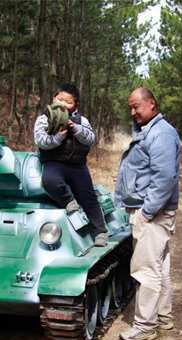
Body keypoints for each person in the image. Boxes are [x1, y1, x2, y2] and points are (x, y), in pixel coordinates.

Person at [114, 87, 180, 340]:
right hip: (151, 211)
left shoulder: (161, 133)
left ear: (151, 104)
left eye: (136, 107)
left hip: (152, 213)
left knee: (145, 269)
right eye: (130, 107)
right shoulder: (150, 131)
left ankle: (145, 325)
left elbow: (165, 177)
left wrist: (147, 212)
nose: (132, 112)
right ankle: (163, 317)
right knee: (159, 267)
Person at [34, 83, 108, 247]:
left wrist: (76, 129)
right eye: (60, 99)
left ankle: (100, 232)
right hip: (54, 162)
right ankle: (69, 202)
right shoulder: (44, 118)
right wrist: (59, 137)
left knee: (89, 198)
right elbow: (41, 141)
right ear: (54, 98)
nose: (63, 104)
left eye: (68, 102)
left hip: (77, 165)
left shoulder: (82, 120)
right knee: (49, 181)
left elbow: (91, 139)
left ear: (76, 105)